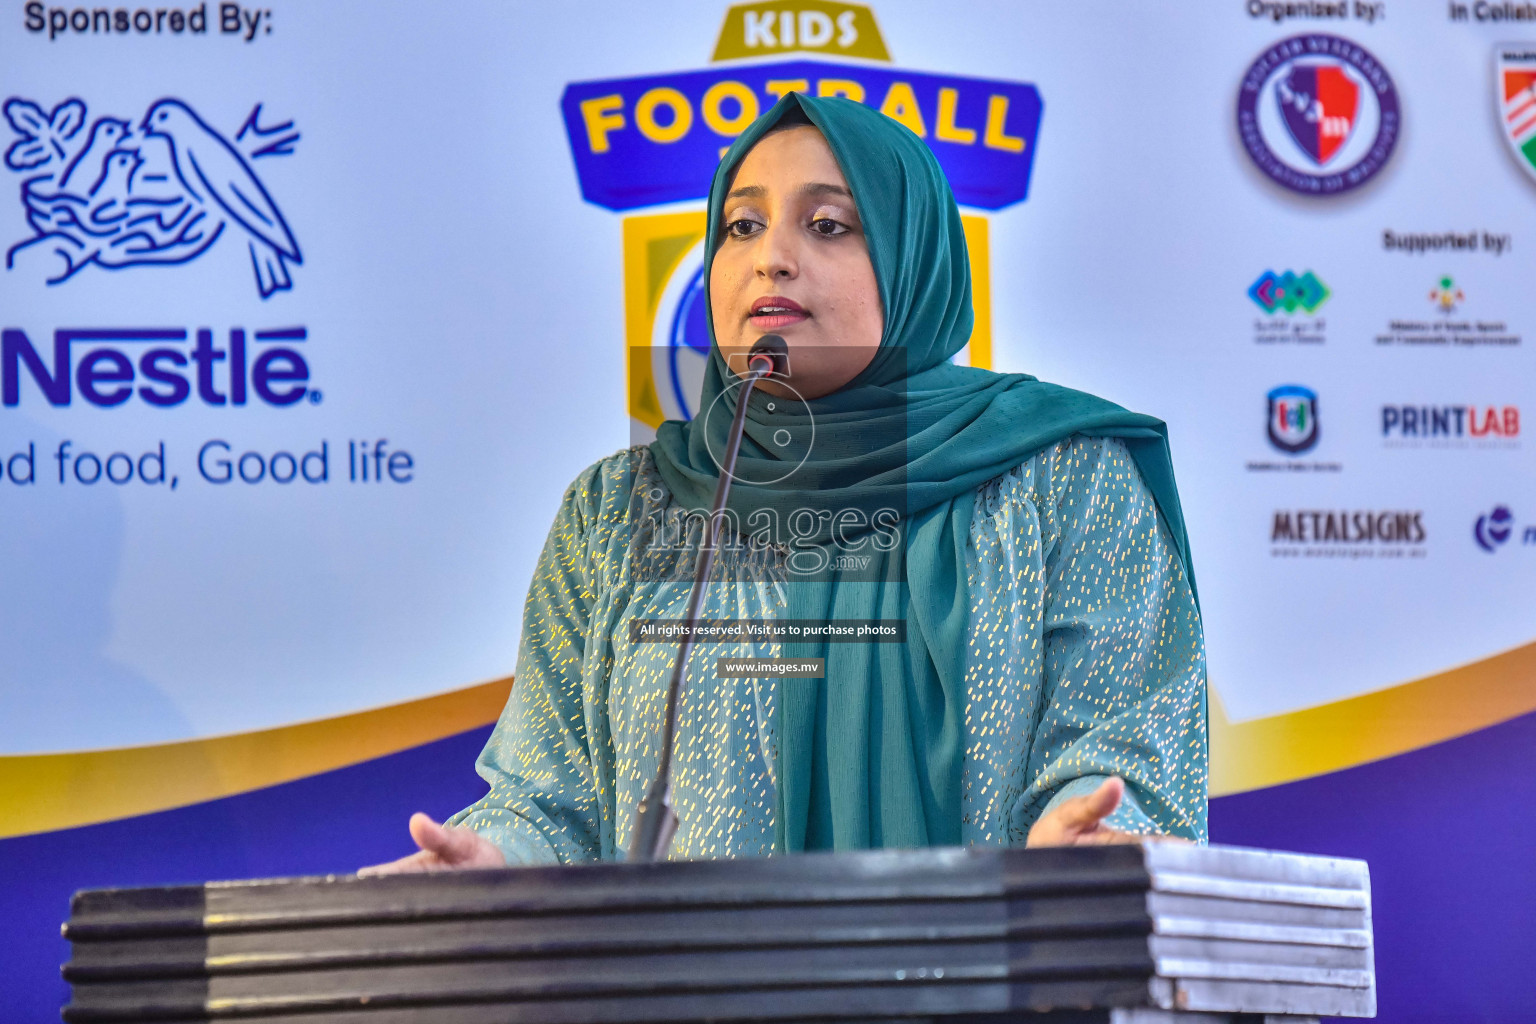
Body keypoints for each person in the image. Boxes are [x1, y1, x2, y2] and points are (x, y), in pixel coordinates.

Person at [361, 93, 1206, 875]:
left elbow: (1122, 757)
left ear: (915, 260)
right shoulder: (618, 512)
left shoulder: (1063, 478)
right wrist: (495, 865)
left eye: (830, 224)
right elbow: (555, 803)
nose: (771, 258)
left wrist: (1090, 840)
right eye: (740, 225)